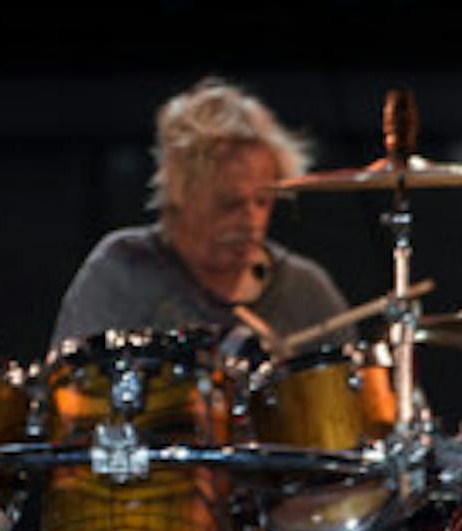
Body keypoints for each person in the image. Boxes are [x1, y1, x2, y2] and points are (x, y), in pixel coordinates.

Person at [50, 78, 350, 348]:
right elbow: (70, 388)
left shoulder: (306, 292)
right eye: (229, 203)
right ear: (179, 193)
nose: (251, 220)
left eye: (263, 201)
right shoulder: (122, 272)